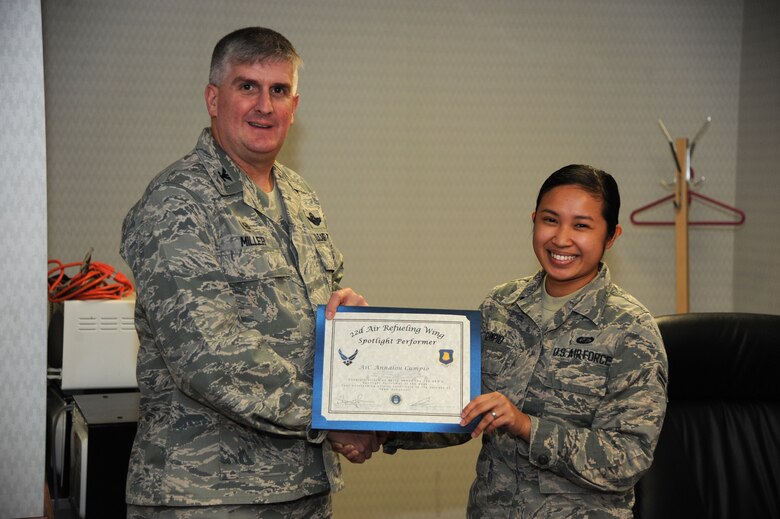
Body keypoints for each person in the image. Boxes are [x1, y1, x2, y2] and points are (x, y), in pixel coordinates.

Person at [120, 27, 378, 519]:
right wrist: (331, 417)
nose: (265, 105)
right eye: (248, 86)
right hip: (207, 497)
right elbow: (209, 356)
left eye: (278, 90)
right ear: (213, 99)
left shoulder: (300, 197)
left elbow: (296, 323)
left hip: (301, 489)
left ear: (294, 105)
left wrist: (342, 323)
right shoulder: (179, 202)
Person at [385, 164, 668, 518]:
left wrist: (526, 426)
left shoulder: (631, 329)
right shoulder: (500, 305)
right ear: (534, 220)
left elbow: (627, 458)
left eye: (581, 225)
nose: (561, 238)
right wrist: (378, 429)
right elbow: (463, 411)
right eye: (550, 220)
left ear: (611, 236)